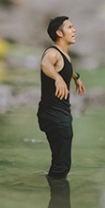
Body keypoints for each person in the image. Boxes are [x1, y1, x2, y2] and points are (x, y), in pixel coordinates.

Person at [38, 16, 85, 178]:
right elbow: (45, 64)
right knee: (61, 166)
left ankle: (55, 189)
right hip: (54, 115)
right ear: (59, 33)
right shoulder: (53, 53)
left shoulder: (64, 55)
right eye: (70, 27)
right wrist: (57, 78)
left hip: (60, 114)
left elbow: (66, 69)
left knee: (61, 163)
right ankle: (57, 190)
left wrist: (76, 77)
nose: (74, 30)